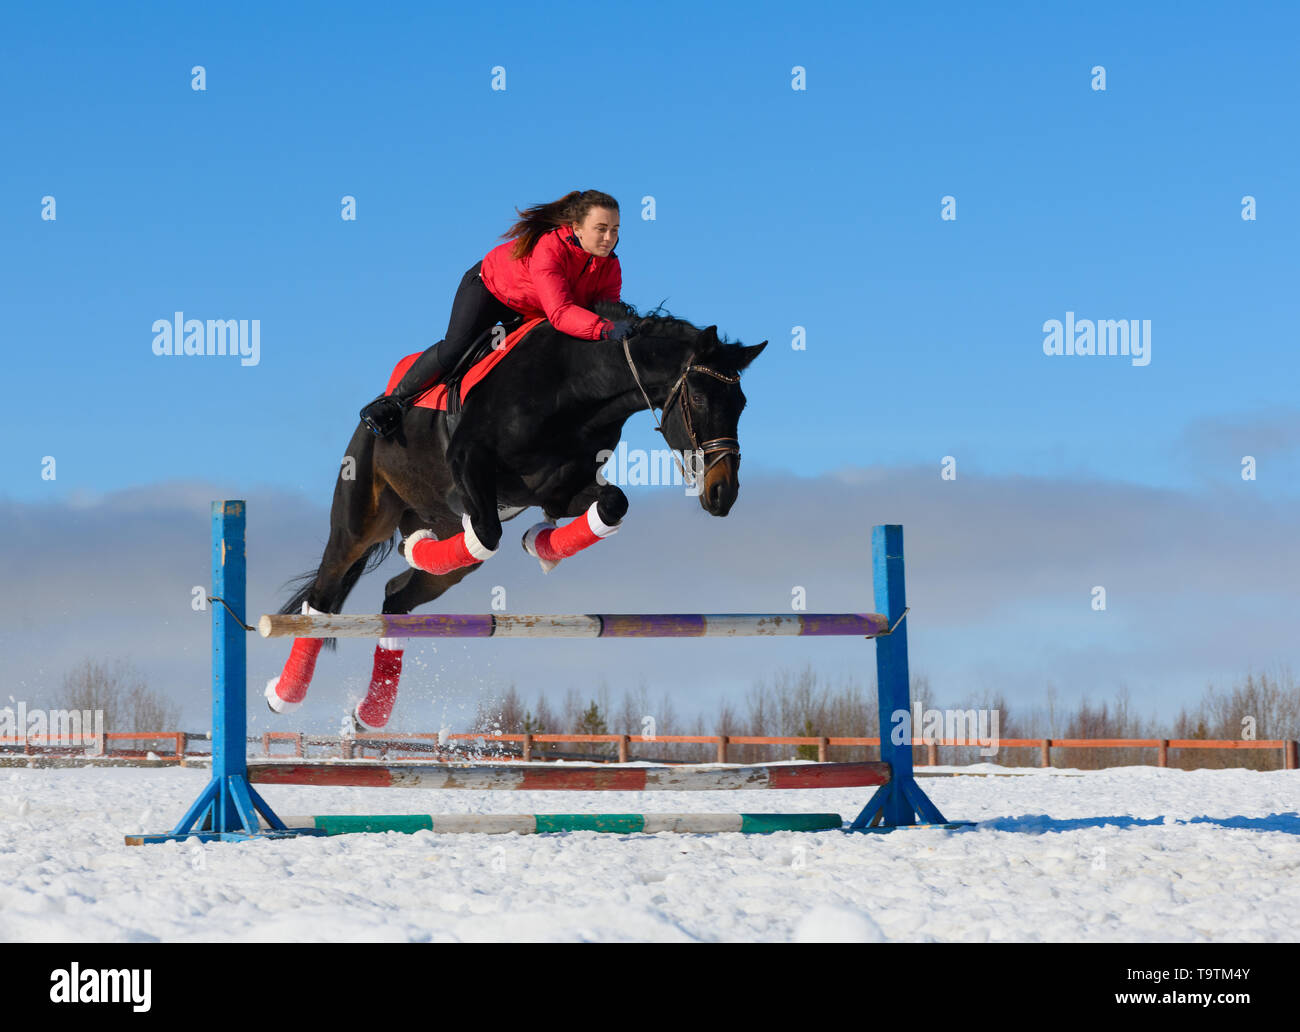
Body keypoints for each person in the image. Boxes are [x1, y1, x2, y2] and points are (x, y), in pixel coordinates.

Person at [360, 189, 635, 438]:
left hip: (534, 309)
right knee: (456, 347)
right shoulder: (550, 249)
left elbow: (603, 310)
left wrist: (623, 326)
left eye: (615, 229)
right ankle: (394, 401)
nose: (609, 238)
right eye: (601, 229)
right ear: (577, 227)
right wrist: (606, 328)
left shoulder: (610, 265)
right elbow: (562, 313)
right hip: (490, 289)